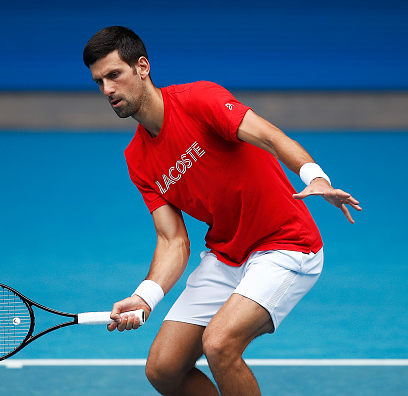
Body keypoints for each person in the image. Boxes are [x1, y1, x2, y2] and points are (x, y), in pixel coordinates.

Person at [83, 26, 361, 395]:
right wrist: (144, 297)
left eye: (114, 75)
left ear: (143, 67)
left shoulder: (199, 100)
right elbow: (172, 241)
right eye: (99, 82)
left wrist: (316, 176)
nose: (107, 90)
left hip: (286, 245)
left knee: (220, 343)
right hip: (227, 255)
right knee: (163, 369)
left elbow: (271, 137)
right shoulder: (137, 159)